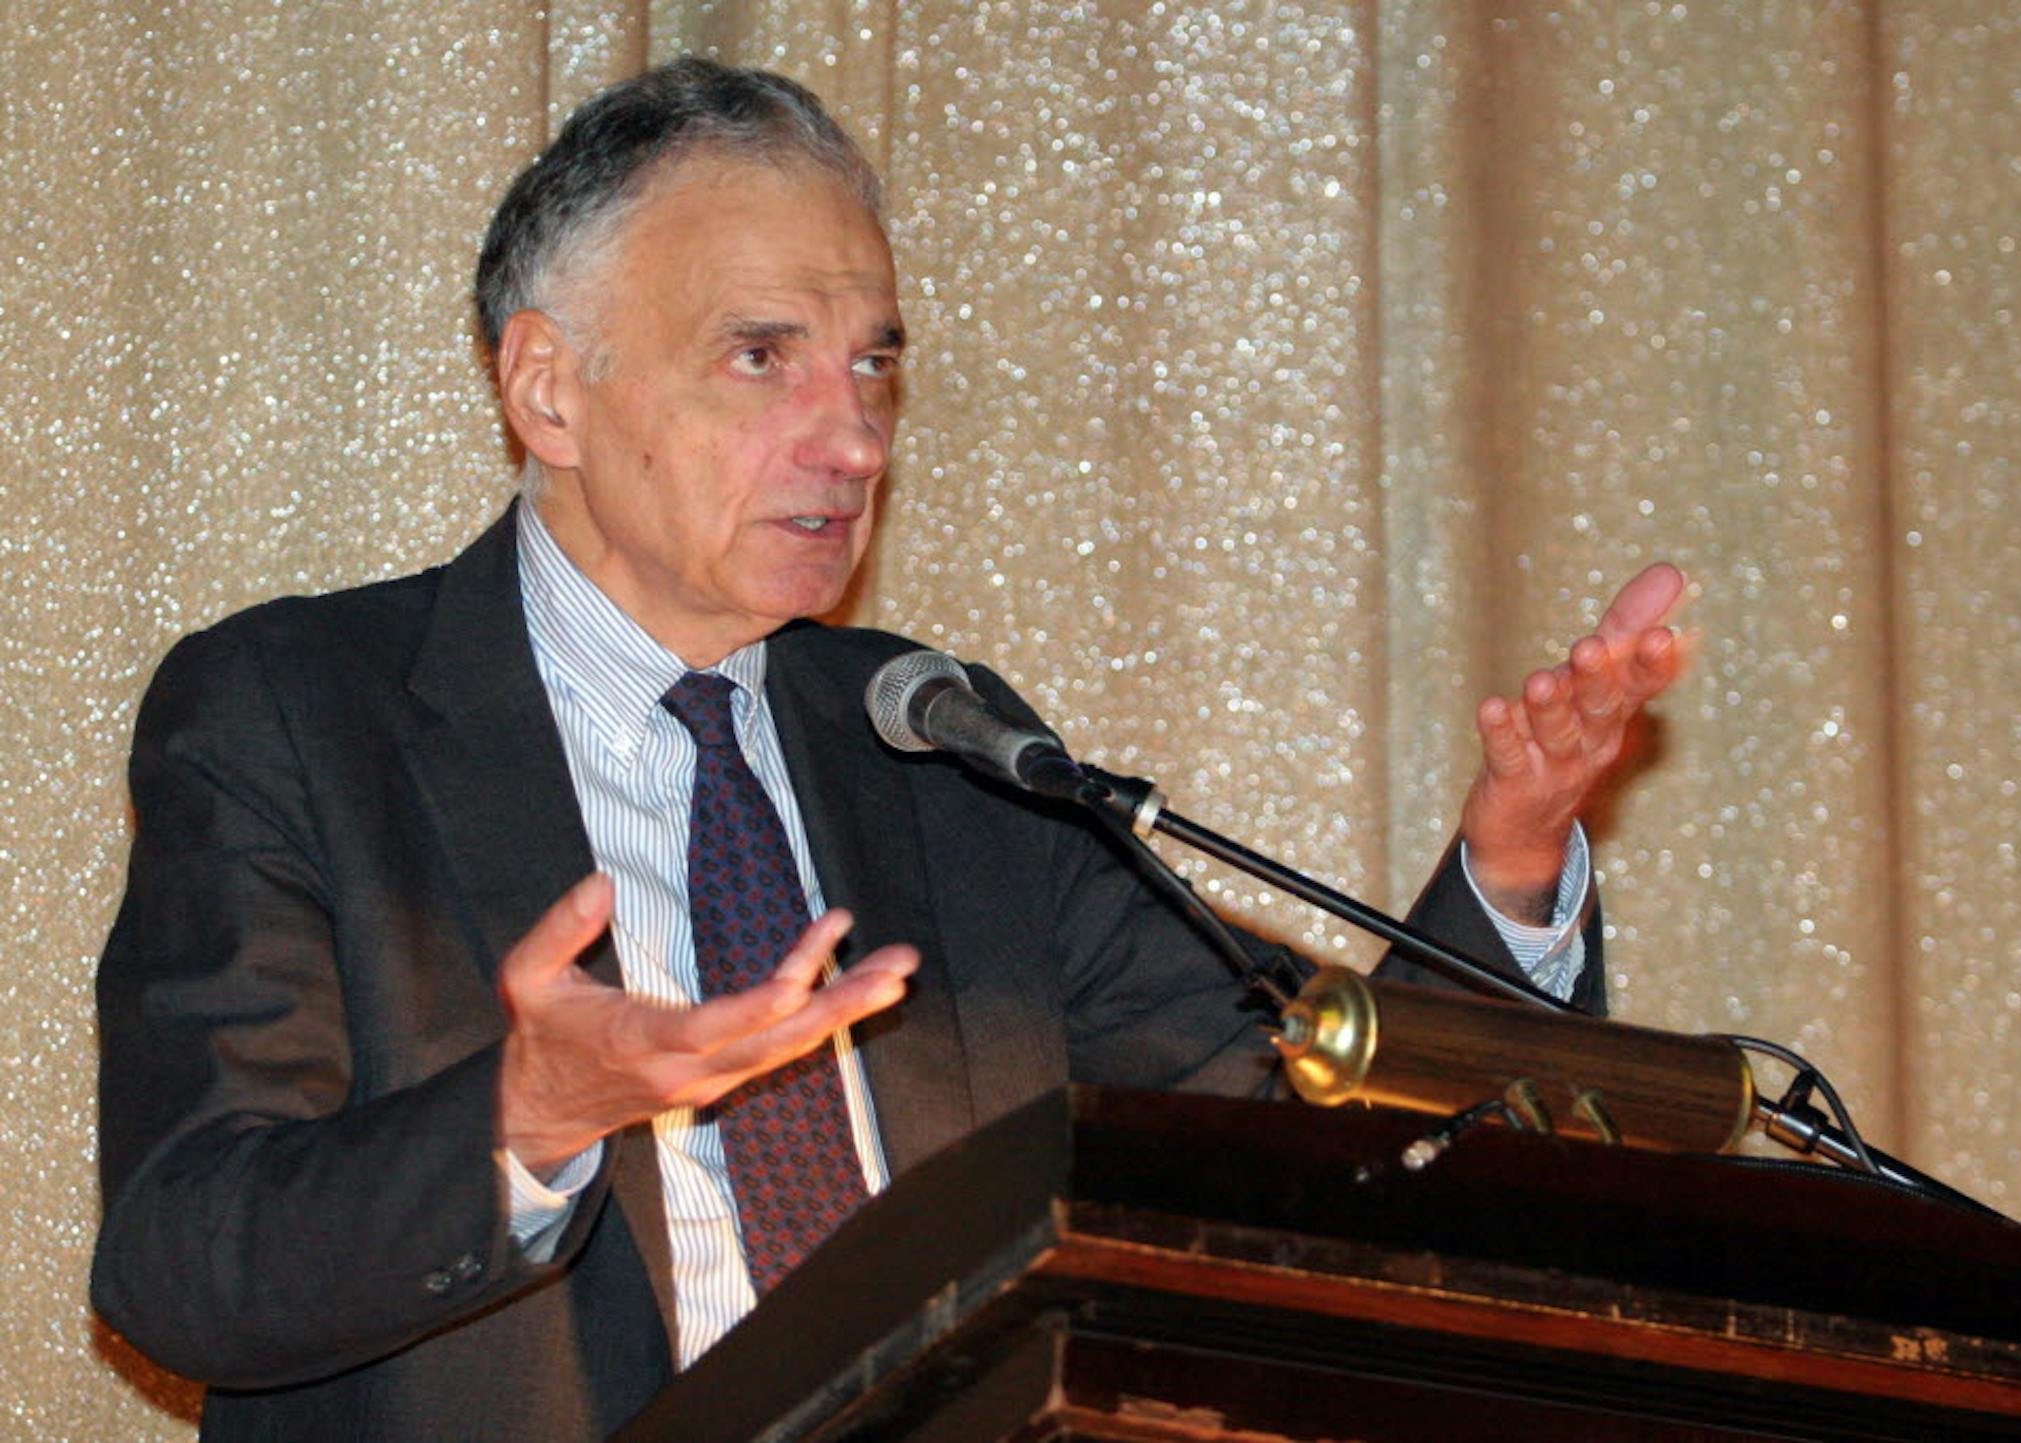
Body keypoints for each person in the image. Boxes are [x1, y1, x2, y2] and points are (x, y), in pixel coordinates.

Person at [92, 60, 1686, 1442]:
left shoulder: (941, 744)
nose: (852, 437)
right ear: (546, 388)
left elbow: (1321, 1157)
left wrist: (1517, 854)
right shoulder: (298, 712)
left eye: (873, 365)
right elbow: (180, 1260)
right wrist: (522, 1114)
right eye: (761, 355)